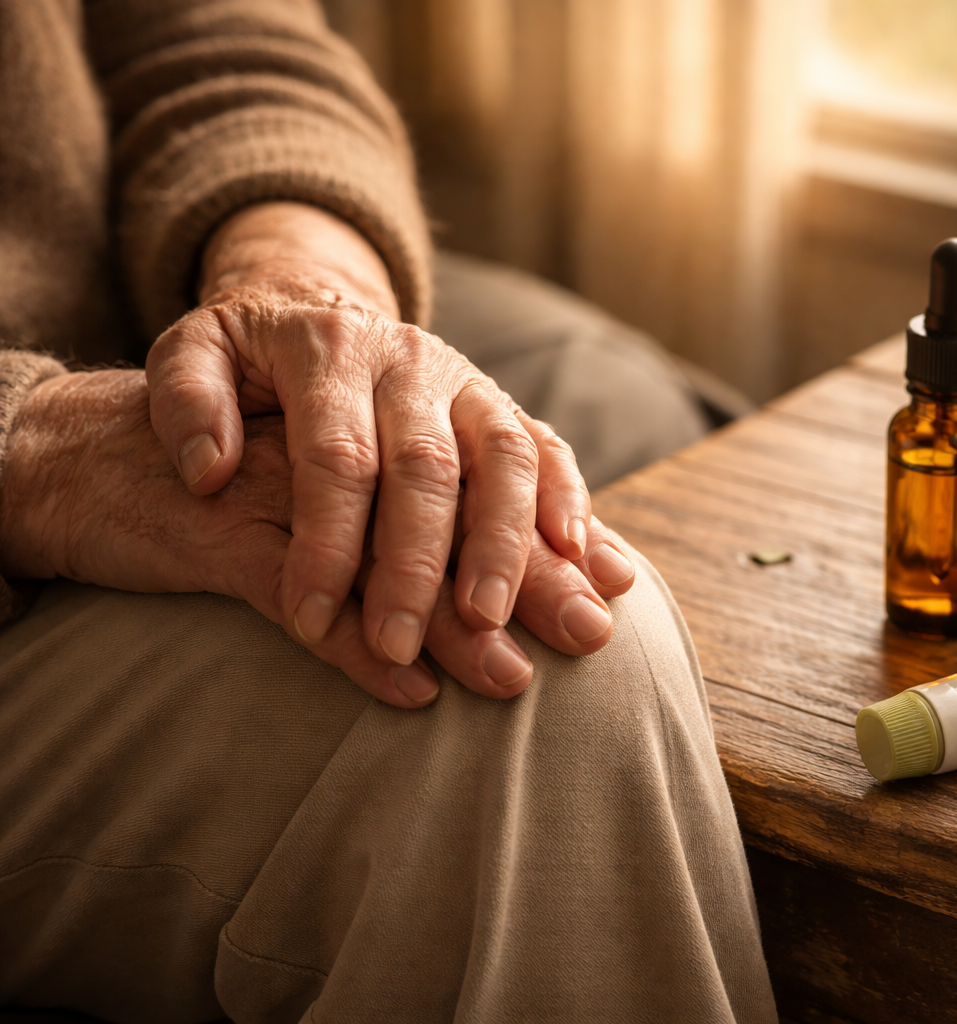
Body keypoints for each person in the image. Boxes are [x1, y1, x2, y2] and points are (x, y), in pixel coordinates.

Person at [0, 1, 777, 1021]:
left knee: (607, 400)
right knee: (534, 659)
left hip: (114, 303)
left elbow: (220, 38)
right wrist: (35, 448)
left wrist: (300, 290)